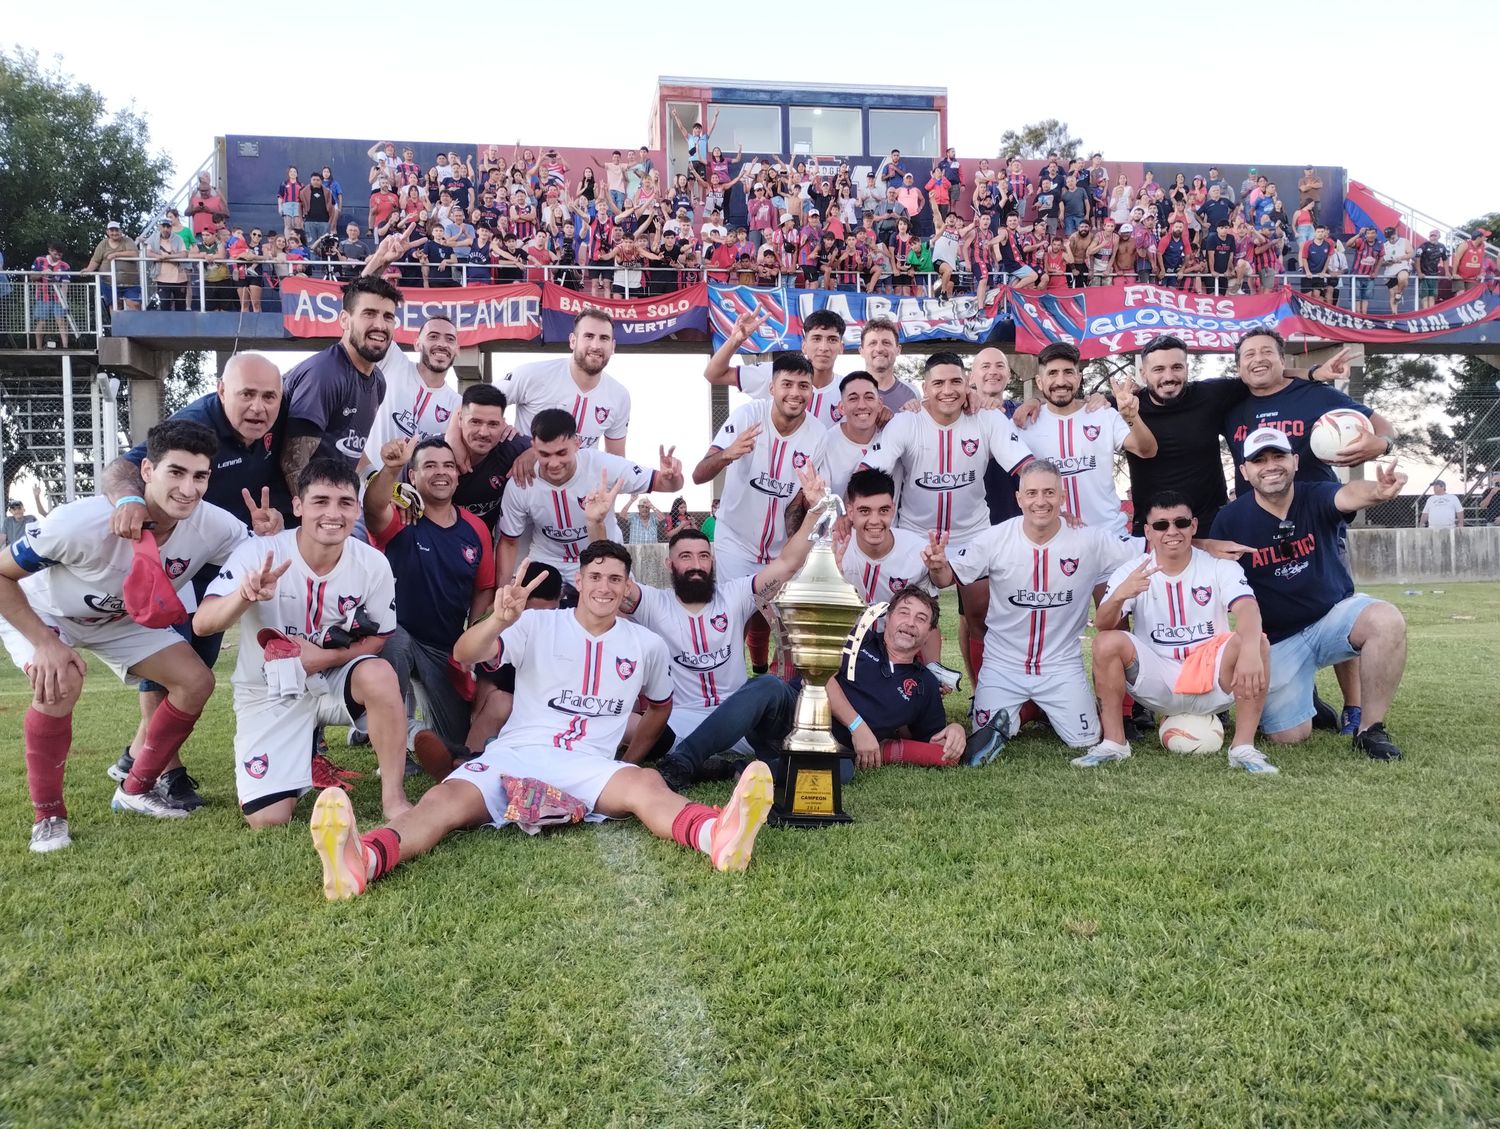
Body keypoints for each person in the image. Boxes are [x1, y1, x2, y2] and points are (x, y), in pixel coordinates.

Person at [308, 543, 778, 900]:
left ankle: (716, 836)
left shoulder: (645, 645)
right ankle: (362, 858)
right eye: (596, 576)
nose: (605, 587)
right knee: (442, 800)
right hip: (515, 754)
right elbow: (462, 654)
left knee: (648, 786)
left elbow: (660, 707)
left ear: (626, 585)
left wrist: (630, 762)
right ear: (581, 577)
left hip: (589, 764)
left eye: (616, 579)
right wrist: (497, 619)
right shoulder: (535, 624)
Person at [0, 421, 247, 851]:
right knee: (62, 681)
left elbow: (259, 558)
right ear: (147, 470)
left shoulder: (216, 526)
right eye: (176, 472)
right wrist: (44, 641)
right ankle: (49, 817)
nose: (188, 488)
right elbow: (3, 575)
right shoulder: (79, 523)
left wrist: (267, 536)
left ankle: (135, 790)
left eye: (200, 476)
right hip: (47, 614)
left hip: (123, 621)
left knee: (195, 682)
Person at [101, 353, 290, 801]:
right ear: (221, 391)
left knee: (200, 662)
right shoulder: (195, 424)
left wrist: (273, 522)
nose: (258, 408)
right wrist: (129, 501)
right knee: (170, 662)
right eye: (246, 394)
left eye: (269, 397)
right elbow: (122, 468)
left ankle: (135, 754)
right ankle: (168, 770)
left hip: (224, 559)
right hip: (176, 560)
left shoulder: (279, 427)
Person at [195, 458, 417, 826]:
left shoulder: (373, 564)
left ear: (357, 509)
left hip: (331, 684)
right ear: (297, 506)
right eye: (320, 501)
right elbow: (203, 624)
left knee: (378, 674)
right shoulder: (259, 553)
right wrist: (244, 596)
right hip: (268, 690)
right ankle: (298, 760)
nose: (333, 513)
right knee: (268, 820)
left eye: (345, 503)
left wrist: (324, 658)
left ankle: (394, 798)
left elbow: (380, 636)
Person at [622, 463, 829, 789]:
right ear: (670, 564)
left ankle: (716, 764)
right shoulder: (654, 602)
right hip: (682, 719)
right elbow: (613, 581)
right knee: (621, 725)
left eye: (703, 556)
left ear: (713, 561)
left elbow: (788, 563)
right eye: (685, 557)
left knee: (808, 737)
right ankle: (722, 767)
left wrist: (815, 512)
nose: (695, 564)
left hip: (739, 716)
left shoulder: (734, 595)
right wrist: (595, 523)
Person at [1209, 428, 1409, 760]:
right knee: (1288, 736)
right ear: (1244, 471)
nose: (1270, 466)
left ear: (1295, 461)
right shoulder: (1231, 519)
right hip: (1278, 640)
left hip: (1331, 621)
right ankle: (1307, 700)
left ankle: (1370, 729)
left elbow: (1348, 495)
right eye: (1259, 460)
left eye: (1278, 456)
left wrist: (1376, 490)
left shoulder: (1314, 495)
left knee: (1385, 620)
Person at [668, 588, 968, 788]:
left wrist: (956, 729)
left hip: (830, 751)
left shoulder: (924, 685)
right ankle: (681, 762)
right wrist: (857, 725)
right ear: (887, 617)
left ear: (929, 632)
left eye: (921, 619)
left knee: (844, 771)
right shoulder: (856, 639)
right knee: (767, 686)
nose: (910, 623)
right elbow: (819, 674)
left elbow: (932, 741)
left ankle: (737, 771)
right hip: (788, 716)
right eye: (904, 612)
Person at [940, 460, 1141, 755]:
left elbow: (1150, 548)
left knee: (1084, 739)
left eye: (1049, 493)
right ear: (1019, 498)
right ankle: (1030, 709)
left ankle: (1038, 708)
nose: (1040, 501)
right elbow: (946, 576)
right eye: (1032, 493)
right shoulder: (996, 538)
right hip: (1002, 665)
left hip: (1061, 666)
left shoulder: (1090, 539)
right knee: (984, 734)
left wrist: (1205, 546)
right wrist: (936, 566)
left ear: (1062, 497)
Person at [862, 352, 1034, 682]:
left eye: (956, 381)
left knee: (981, 615)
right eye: (938, 383)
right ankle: (910, 689)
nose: (947, 390)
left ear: (967, 384)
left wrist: (1050, 495)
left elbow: (1024, 466)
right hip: (915, 536)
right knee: (911, 619)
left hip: (973, 536)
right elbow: (869, 471)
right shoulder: (906, 421)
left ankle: (985, 692)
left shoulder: (986, 418)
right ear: (924, 388)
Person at [1082, 491, 1275, 773]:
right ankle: (1114, 743)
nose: (1171, 531)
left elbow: (1247, 608)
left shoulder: (1218, 565)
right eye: (1161, 525)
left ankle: (1243, 748)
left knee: (1256, 642)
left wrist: (1249, 650)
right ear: (1148, 531)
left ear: (1194, 526)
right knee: (1106, 642)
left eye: (1180, 523)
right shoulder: (1132, 571)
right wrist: (1121, 595)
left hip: (1213, 679)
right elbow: (1102, 623)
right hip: (1158, 681)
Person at [1126, 334, 1343, 537]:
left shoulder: (1210, 394)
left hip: (1211, 525)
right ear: (1143, 373)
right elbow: (1093, 409)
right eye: (1158, 369)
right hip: (1155, 529)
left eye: (1176, 367)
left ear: (1187, 369)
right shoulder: (1124, 405)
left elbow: (1261, 372)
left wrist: (1313, 373)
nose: (1169, 377)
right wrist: (1095, 399)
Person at [692, 353, 828, 674]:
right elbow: (699, 475)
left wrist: (807, 514)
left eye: (803, 386)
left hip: (780, 551)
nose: (795, 393)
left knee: (786, 625)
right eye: (787, 384)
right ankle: (726, 692)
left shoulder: (818, 434)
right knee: (732, 620)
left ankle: (778, 693)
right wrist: (728, 453)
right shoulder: (747, 416)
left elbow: (796, 504)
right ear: (771, 387)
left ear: (812, 392)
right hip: (735, 544)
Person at [364, 437, 495, 755]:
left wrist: (472, 637)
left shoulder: (475, 528)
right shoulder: (401, 516)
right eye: (430, 465)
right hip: (398, 634)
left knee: (454, 744)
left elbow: (484, 588)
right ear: (412, 475)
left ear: (457, 474)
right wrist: (391, 468)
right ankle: (395, 742)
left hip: (444, 646)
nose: (441, 473)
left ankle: (415, 736)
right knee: (394, 643)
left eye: (448, 465)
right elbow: (373, 506)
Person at [498, 409, 683, 592]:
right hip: (548, 558)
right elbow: (508, 542)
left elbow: (667, 485)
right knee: (526, 612)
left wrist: (672, 477)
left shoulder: (603, 465)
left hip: (602, 554)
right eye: (545, 455)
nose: (553, 463)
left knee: (623, 611)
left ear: (577, 443)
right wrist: (500, 591)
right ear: (533, 447)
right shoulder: (521, 482)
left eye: (562, 453)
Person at [1016, 342, 1156, 539]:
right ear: (1039, 382)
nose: (1061, 380)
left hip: (1108, 536)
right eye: (1052, 373)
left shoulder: (1103, 414)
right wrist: (1033, 401)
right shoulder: (1024, 424)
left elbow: (1147, 450)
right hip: (1054, 540)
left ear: (1079, 378)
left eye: (1068, 372)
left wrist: (1132, 417)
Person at [280, 275, 403, 484]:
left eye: (388, 316)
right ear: (344, 320)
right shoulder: (324, 374)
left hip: (338, 503)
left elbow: (348, 446)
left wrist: (377, 479)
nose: (380, 325)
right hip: (299, 510)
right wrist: (312, 513)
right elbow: (293, 464)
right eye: (369, 314)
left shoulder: (378, 381)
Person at [832, 469, 952, 652]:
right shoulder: (832, 549)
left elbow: (928, 620)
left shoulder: (916, 551)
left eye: (883, 510)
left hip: (897, 650)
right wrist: (832, 575)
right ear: (850, 512)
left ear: (893, 509)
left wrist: (934, 673)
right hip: (842, 647)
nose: (875, 520)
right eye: (864, 511)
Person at [499, 309, 631, 454]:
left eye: (604, 338)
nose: (596, 346)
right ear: (573, 341)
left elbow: (616, 459)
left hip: (581, 477)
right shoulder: (532, 374)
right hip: (527, 474)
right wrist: (500, 426)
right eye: (588, 336)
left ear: (612, 346)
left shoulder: (619, 395)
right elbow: (480, 403)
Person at [704, 308, 848, 429]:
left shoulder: (848, 391)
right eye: (816, 338)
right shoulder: (775, 372)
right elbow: (714, 375)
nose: (823, 348)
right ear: (804, 345)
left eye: (832, 340)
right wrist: (735, 341)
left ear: (841, 347)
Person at [359, 315, 463, 465]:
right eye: (433, 336)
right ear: (417, 344)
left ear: (457, 350)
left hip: (417, 488)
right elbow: (367, 326)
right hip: (367, 484)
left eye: (450, 339)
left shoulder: (458, 404)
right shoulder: (393, 361)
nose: (442, 344)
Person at [445, 384, 532, 533]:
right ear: (459, 419)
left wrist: (534, 453)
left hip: (482, 545)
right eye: (475, 422)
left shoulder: (511, 447)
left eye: (493, 424)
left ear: (503, 424)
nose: (483, 432)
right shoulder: (434, 452)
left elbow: (557, 446)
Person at [816, 372, 884, 498]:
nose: (862, 405)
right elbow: (821, 499)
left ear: (880, 404)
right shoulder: (826, 442)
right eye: (853, 398)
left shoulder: (892, 435)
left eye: (869, 397)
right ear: (841, 407)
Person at [857, 317, 918, 410]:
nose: (879, 349)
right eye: (872, 343)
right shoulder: (847, 392)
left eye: (886, 343)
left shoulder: (912, 393)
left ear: (898, 350)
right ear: (861, 351)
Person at [84, 221, 142, 310]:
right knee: (115, 306)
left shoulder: (127, 240)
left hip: (130, 283)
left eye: (116, 230)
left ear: (121, 231)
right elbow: (96, 260)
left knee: (135, 304)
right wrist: (88, 269)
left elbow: (134, 253)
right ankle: (116, 324)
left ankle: (134, 324)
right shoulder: (103, 244)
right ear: (107, 232)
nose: (114, 233)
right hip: (108, 283)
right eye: (112, 230)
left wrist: (116, 254)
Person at [30, 244, 71, 349]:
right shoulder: (40, 260)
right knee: (42, 322)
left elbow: (65, 284)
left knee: (61, 321)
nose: (58, 255)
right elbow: (32, 277)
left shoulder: (64, 266)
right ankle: (38, 348)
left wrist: (64, 301)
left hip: (58, 298)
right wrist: (42, 273)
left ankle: (65, 347)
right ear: (50, 250)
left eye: (60, 253)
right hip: (42, 297)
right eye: (55, 252)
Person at [1380, 226, 1415, 311]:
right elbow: (1381, 262)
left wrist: (1400, 258)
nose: (1391, 240)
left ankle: (1399, 293)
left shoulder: (1404, 241)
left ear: (1396, 234)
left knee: (1403, 278)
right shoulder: (1384, 245)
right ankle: (1394, 314)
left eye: (1392, 237)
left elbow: (1411, 254)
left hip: (1402, 266)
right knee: (1392, 293)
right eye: (1388, 238)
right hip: (1390, 270)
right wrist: (1388, 262)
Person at [188, 172, 229, 238]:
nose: (209, 178)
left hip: (215, 232)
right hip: (199, 233)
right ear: (200, 179)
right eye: (206, 176)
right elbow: (187, 212)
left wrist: (210, 210)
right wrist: (195, 210)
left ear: (209, 190)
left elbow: (226, 212)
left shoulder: (216, 192)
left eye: (206, 191)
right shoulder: (195, 194)